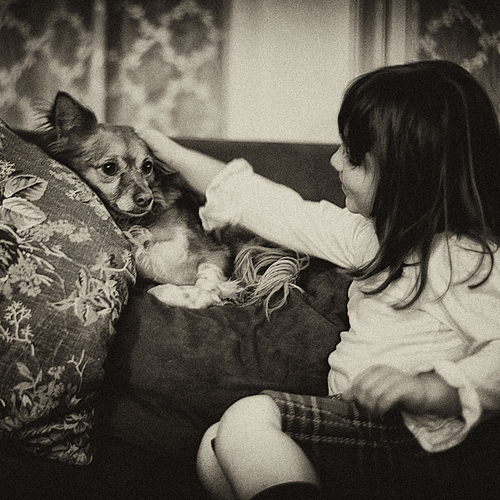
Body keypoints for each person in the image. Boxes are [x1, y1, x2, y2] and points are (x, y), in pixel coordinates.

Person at [138, 60, 500, 500]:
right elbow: (271, 206)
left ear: (409, 174)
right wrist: (170, 153)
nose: (334, 160)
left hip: (417, 441)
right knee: (215, 447)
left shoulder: (465, 258)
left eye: (352, 155)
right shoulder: (372, 238)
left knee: (248, 418)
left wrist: (431, 389)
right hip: (360, 425)